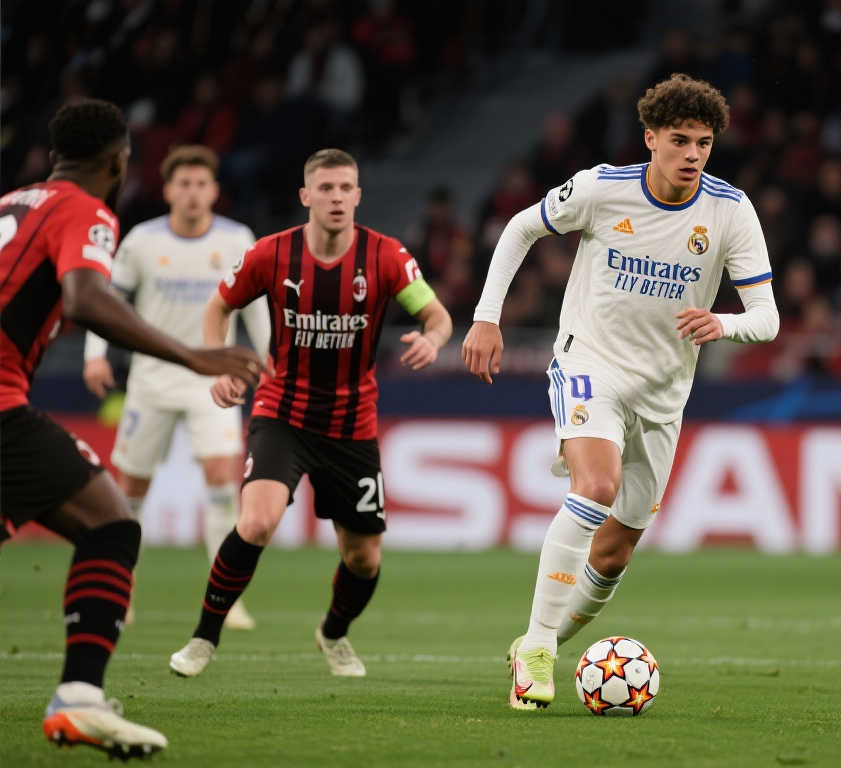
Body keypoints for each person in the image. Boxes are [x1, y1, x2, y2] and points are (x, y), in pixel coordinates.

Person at [462, 74, 780, 710]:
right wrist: (486, 317)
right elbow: (521, 227)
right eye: (680, 140)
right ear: (651, 138)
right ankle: (538, 651)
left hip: (664, 393)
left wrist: (724, 324)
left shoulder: (729, 209)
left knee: (612, 556)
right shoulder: (603, 188)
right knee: (596, 487)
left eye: (704, 143)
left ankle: (542, 637)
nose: (693, 154)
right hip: (591, 363)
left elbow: (767, 318)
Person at [0, 99, 263, 756]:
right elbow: (88, 298)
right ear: (119, 161)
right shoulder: (87, 211)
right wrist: (195, 355)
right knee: (112, 524)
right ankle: (79, 700)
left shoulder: (12, 203)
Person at [169, 148, 452, 679]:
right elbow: (218, 306)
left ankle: (334, 633)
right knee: (256, 521)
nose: (336, 197)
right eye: (325, 188)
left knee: (363, 558)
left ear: (358, 195)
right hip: (283, 413)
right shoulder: (270, 254)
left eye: (345, 188)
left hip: (352, 424)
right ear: (306, 196)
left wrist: (432, 340)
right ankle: (203, 637)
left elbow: (437, 316)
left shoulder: (387, 256)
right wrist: (219, 364)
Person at [82, 145, 270, 630]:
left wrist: (271, 356)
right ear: (167, 190)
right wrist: (94, 355)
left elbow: (255, 305)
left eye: (201, 184)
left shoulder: (236, 238)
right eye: (183, 184)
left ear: (214, 190)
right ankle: (121, 590)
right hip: (152, 380)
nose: (192, 193)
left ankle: (226, 600)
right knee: (131, 490)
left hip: (215, 379)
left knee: (221, 481)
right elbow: (105, 300)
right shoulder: (142, 241)